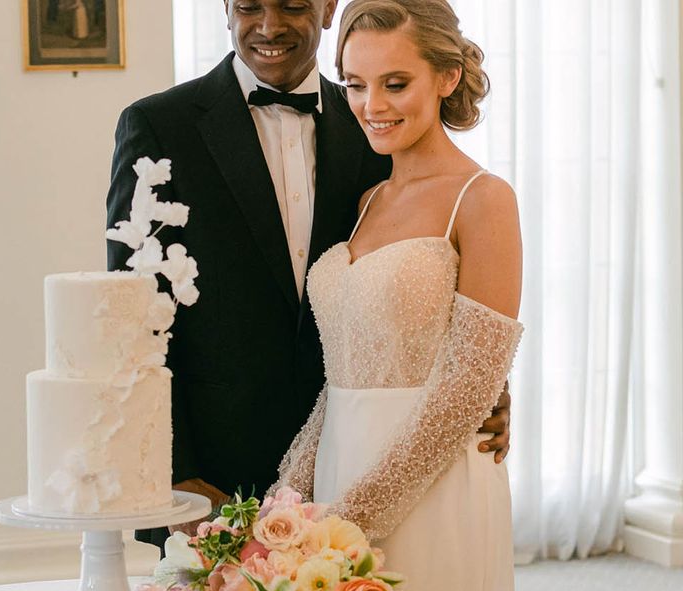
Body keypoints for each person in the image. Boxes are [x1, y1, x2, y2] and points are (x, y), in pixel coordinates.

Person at [106, 0, 511, 553]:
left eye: (293, 5)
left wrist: (485, 386)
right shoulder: (159, 126)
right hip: (212, 471)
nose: (269, 25)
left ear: (326, 9)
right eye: (249, 5)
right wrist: (170, 473)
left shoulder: (373, 122)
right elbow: (136, 315)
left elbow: (428, 280)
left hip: (364, 466)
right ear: (226, 8)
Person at [272, 1, 525, 591]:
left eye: (394, 83)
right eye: (354, 83)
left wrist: (357, 520)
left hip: (434, 484)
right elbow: (343, 376)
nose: (369, 105)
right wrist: (291, 496)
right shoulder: (368, 201)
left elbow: (469, 387)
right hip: (341, 474)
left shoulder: (482, 198)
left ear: (446, 77)